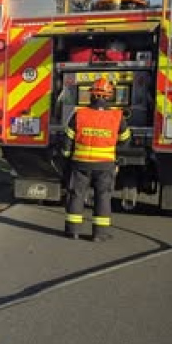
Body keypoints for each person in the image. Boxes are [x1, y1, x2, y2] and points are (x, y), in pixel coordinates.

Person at [62, 76, 131, 242]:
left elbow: (67, 140)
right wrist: (115, 155)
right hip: (105, 165)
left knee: (77, 195)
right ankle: (99, 234)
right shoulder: (117, 116)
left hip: (80, 163)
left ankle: (73, 232)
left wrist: (66, 156)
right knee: (103, 196)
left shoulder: (79, 114)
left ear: (92, 94)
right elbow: (126, 140)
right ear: (109, 96)